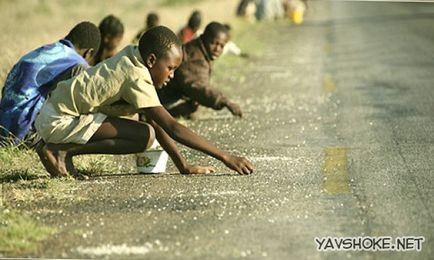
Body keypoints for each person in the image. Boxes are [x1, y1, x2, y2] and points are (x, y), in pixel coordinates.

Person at [34, 26, 254, 180]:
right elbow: (173, 127)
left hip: (58, 114)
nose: (171, 76)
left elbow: (155, 121)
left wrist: (183, 165)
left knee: (145, 134)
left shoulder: (134, 56)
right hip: (58, 121)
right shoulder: (136, 76)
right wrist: (226, 156)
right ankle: (59, 151)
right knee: (144, 135)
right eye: (170, 69)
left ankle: (63, 151)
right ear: (151, 60)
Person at [0, 21, 101, 146]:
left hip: (3, 124)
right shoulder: (77, 63)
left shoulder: (46, 51)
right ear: (89, 53)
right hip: (21, 133)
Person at [157, 22, 243, 119]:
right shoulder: (195, 56)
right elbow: (197, 86)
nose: (217, 49)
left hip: (172, 92)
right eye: (214, 43)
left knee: (193, 106)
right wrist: (224, 101)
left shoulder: (200, 50)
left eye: (221, 46)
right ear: (204, 37)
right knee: (192, 107)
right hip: (161, 94)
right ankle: (157, 115)